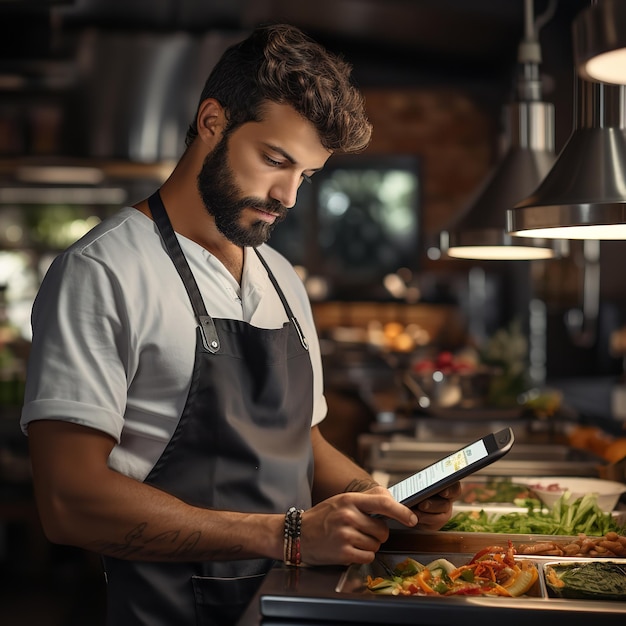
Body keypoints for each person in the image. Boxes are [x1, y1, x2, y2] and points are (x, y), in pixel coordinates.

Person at [21, 23, 460, 626]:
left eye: (305, 176)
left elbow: (301, 446)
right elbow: (69, 501)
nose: (287, 196)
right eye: (274, 160)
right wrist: (288, 535)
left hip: (292, 608)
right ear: (211, 121)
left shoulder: (280, 274)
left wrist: (384, 498)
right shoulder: (102, 271)